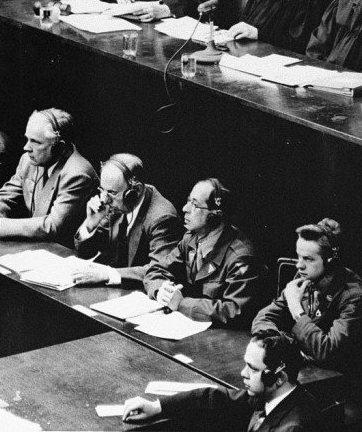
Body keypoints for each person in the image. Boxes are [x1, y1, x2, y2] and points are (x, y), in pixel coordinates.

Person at [251, 219, 362, 411]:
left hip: (356, 391)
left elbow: (327, 351)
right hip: (318, 377)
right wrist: (276, 344)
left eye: (308, 259)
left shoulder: (354, 298)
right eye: (298, 256)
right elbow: (264, 317)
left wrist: (296, 309)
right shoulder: (307, 278)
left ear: (330, 260)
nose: (299, 266)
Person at [121, 330, 325, 431]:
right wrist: (157, 407)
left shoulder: (293, 427)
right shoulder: (272, 396)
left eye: (253, 369)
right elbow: (215, 397)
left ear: (279, 378)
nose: (243, 373)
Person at [143, 178, 267, 328]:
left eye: (195, 205)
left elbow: (235, 310)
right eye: (188, 201)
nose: (185, 208)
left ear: (214, 216)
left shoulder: (240, 257)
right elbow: (157, 269)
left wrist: (181, 303)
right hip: (188, 326)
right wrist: (160, 290)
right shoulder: (190, 239)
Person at [0, 108, 97, 246]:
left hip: (64, 253)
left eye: (36, 142)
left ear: (59, 147)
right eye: (27, 139)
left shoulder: (78, 173)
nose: (26, 147)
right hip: (36, 247)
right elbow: (7, 195)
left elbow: (52, 226)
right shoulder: (29, 160)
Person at [71, 154, 182, 288]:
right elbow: (85, 252)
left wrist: (108, 274)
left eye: (111, 192)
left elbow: (159, 270)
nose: (104, 199)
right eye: (102, 190)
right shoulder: (115, 206)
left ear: (136, 190)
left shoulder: (162, 218)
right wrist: (91, 223)